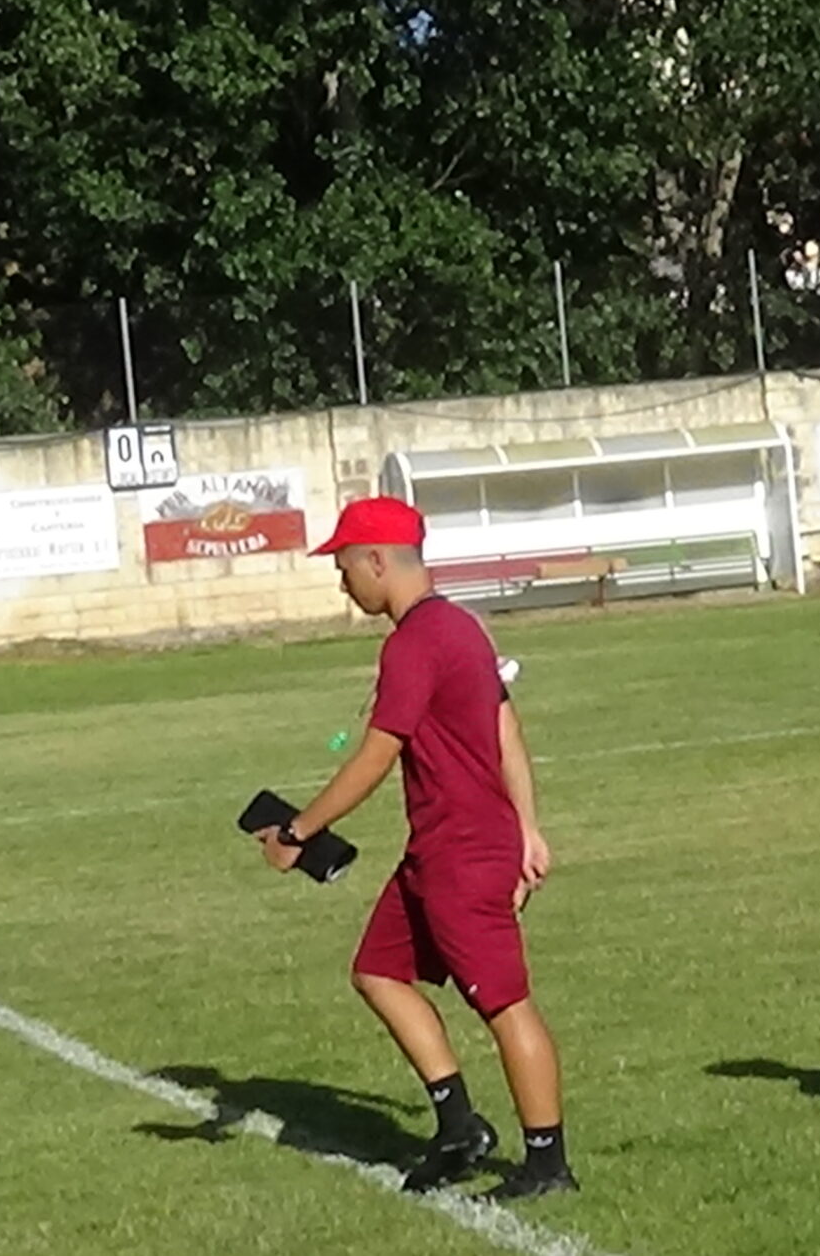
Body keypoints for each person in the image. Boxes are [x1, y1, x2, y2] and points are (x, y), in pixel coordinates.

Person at [256, 496, 574, 1199]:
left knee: (504, 1003)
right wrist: (527, 826)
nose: (341, 581)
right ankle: (459, 1126)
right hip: (438, 848)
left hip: (463, 854)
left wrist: (299, 832)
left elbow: (376, 754)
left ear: (376, 560)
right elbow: (506, 729)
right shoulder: (460, 626)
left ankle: (547, 1163)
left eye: (344, 565)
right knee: (377, 971)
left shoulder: (414, 642)